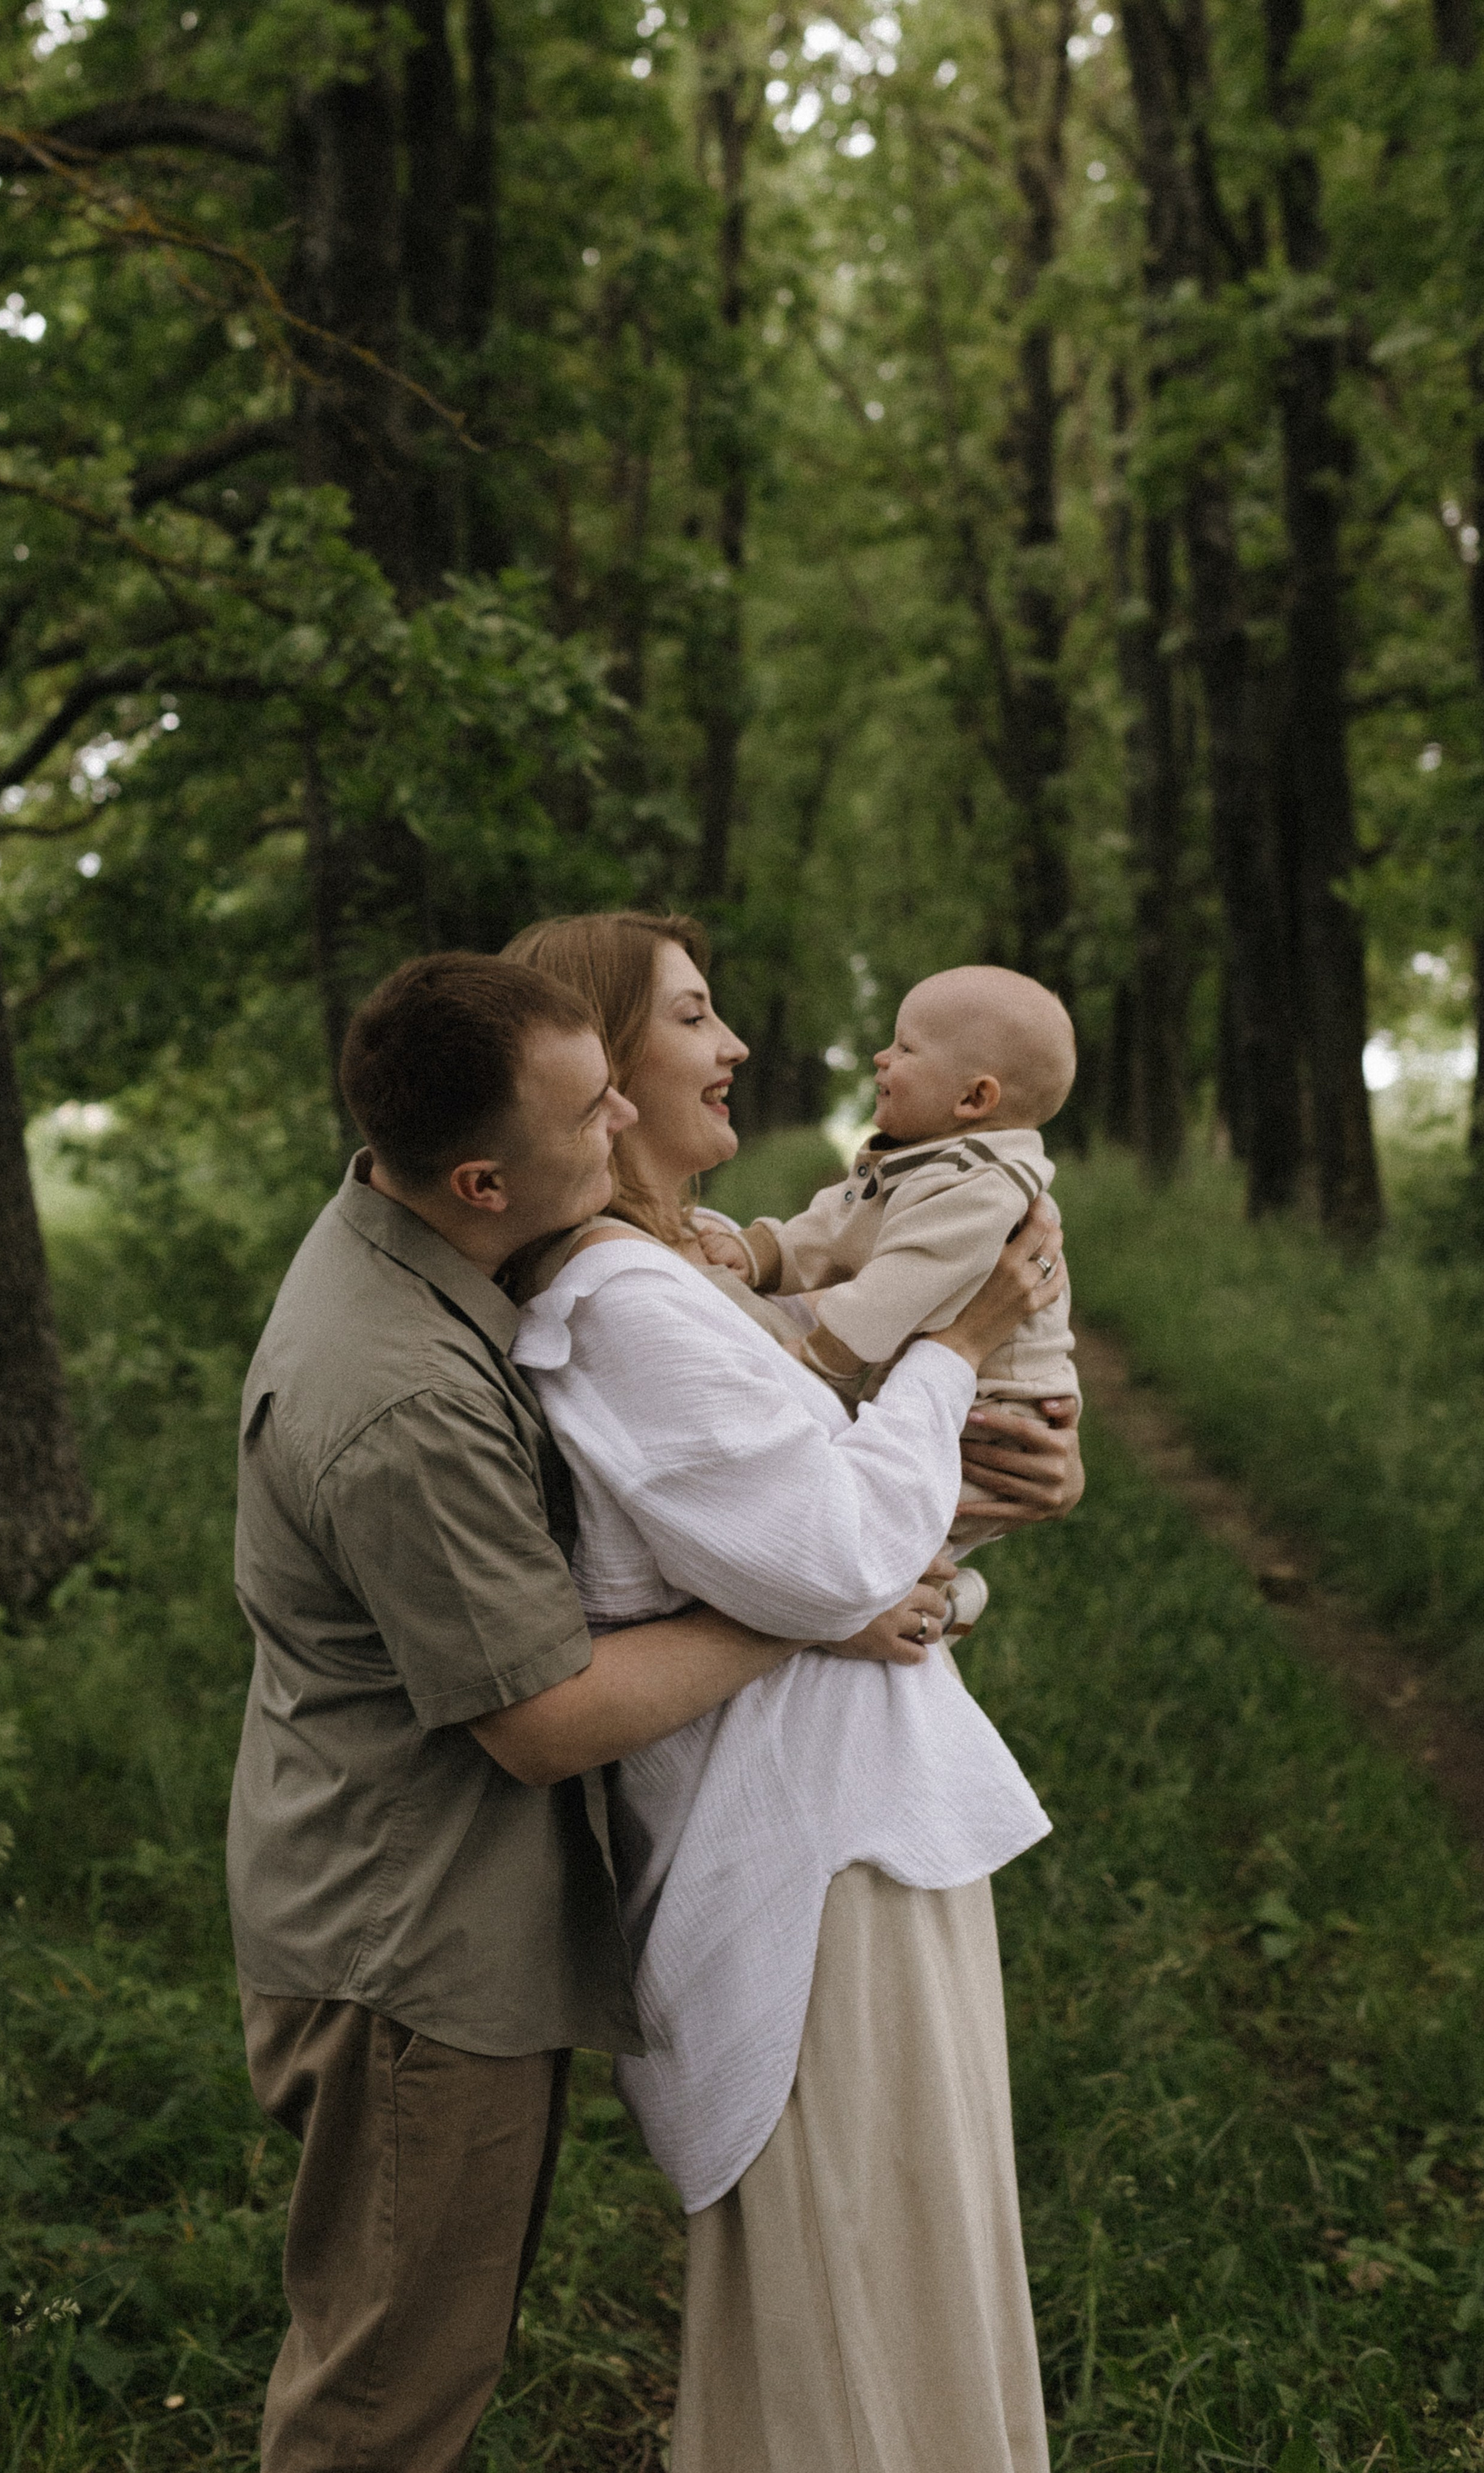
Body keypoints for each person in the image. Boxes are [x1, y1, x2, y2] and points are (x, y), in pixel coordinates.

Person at [223, 951, 1022, 2473]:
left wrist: (931, 1500)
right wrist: (813, 1606)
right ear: (476, 1175)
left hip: (454, 1908)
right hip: (409, 1942)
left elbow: (757, 1452)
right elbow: (539, 1716)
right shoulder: (401, 1391)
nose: (614, 1132)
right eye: (589, 1111)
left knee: (421, 2361)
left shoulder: (445, 1259)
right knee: (386, 2397)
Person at [501, 911, 1083, 2473]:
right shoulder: (620, 1299)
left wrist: (988, 1489)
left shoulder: (672, 1275)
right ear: (597, 1069)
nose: (734, 1043)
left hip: (854, 1820)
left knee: (908, 2232)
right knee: (863, 2256)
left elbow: (829, 1508)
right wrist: (959, 1350)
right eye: (692, 1016)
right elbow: (826, 1548)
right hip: (801, 1846)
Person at [698, 962, 1080, 1543]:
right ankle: (936, 1597)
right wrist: (762, 1252)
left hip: (996, 1417)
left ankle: (941, 1593)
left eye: (905, 1047)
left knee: (896, 1530)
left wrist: (818, 1360)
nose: (882, 1057)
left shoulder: (983, 1186)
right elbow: (835, 1224)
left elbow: (900, 1285)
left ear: (974, 1097)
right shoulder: (925, 1160)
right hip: (940, 1392)